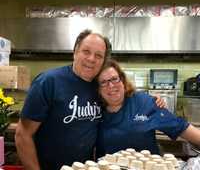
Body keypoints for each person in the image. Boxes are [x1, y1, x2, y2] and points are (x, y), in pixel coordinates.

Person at [15, 29, 165, 170]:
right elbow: (23, 134)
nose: (91, 59)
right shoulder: (49, 82)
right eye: (86, 51)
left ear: (103, 61)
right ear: (75, 52)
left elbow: (123, 97)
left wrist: (150, 100)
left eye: (99, 55)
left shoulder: (100, 85)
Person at [96, 59, 200, 157]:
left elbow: (180, 127)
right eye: (103, 82)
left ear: (122, 81)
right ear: (98, 89)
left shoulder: (144, 102)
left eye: (114, 79)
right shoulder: (94, 110)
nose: (111, 86)